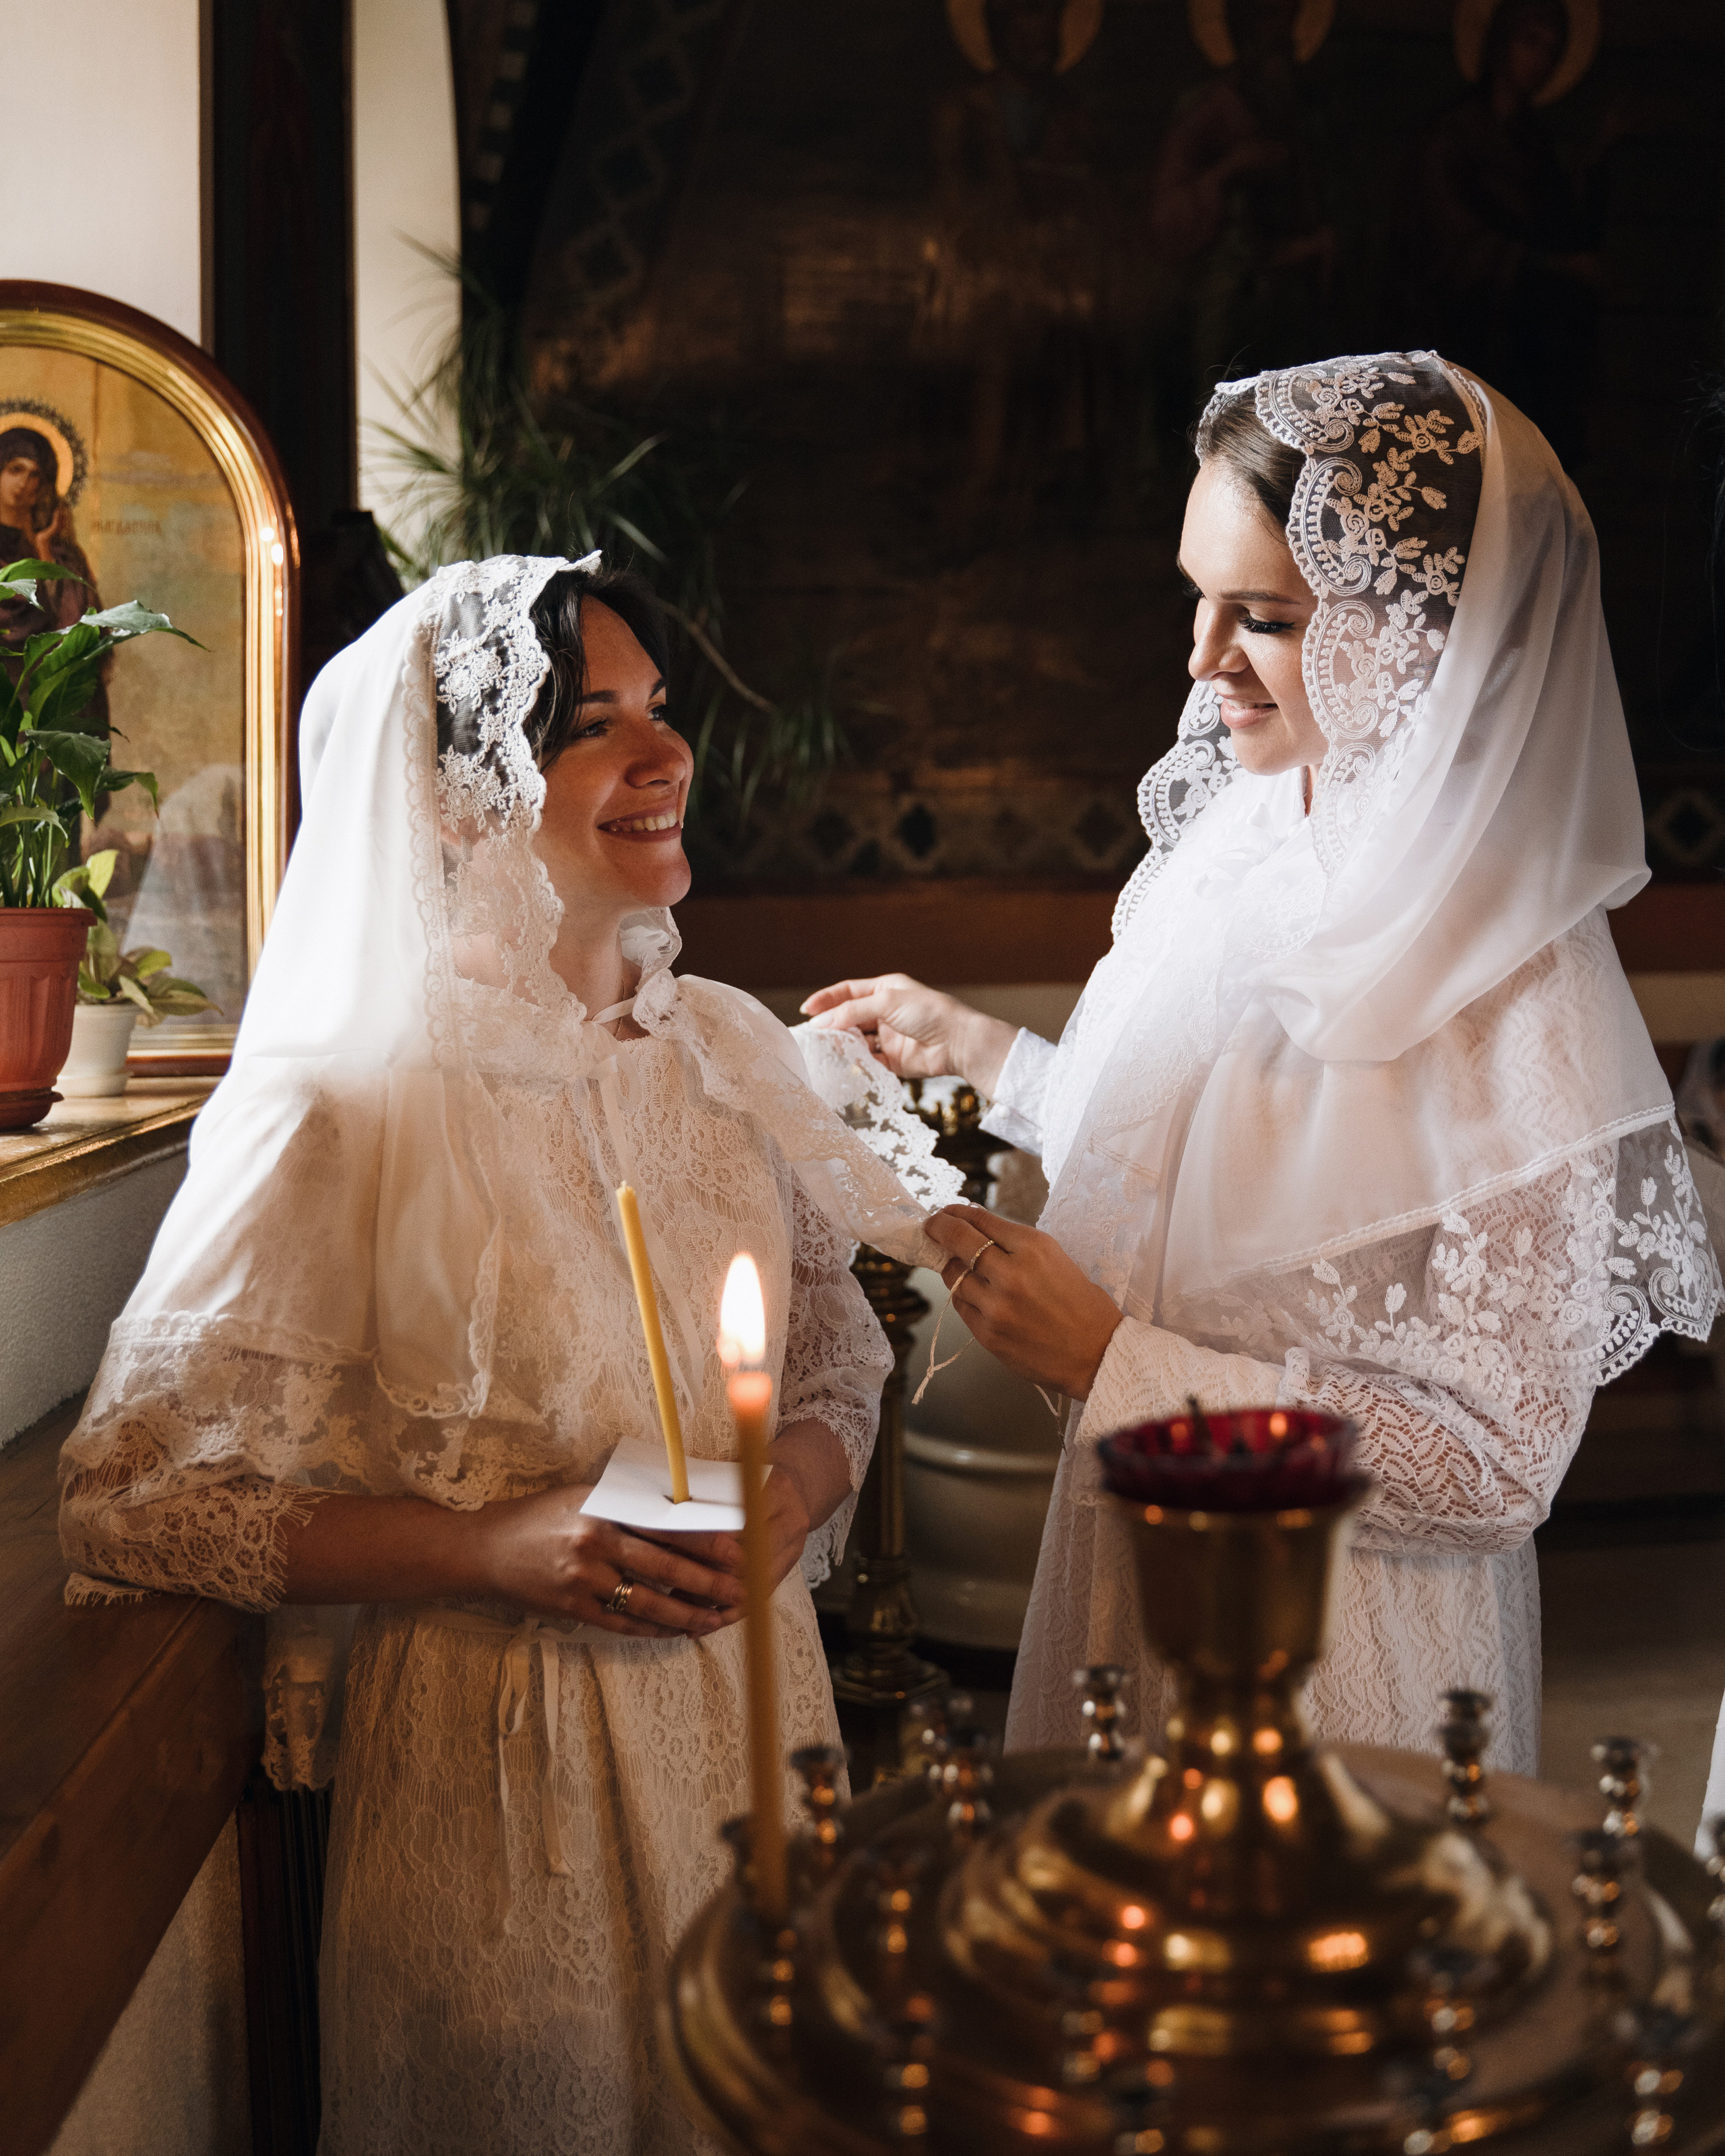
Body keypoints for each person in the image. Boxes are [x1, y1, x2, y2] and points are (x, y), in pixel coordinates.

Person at [57, 554, 958, 2155]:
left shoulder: (732, 1053)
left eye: (659, 714)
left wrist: (790, 1499)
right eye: (588, 725)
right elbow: (129, 1498)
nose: (661, 755)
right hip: (497, 1779)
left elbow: (836, 1368)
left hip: (760, 1719)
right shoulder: (345, 1106)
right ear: (462, 799)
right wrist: (493, 1543)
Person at [806, 351, 1722, 1772]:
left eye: (1266, 617)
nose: (1199, 659)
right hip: (1122, 1577)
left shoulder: (1515, 976)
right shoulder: (1242, 840)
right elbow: (1222, 1169)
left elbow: (1494, 1469)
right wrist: (989, 1053)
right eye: (1197, 597)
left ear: (1417, 630)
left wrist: (1120, 1366)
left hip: (1334, 1663)